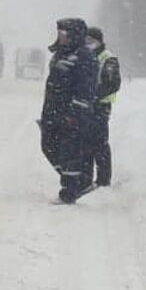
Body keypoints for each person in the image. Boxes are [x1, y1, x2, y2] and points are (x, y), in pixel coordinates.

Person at [41, 17, 99, 203]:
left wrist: (75, 113)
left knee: (70, 151)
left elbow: (86, 88)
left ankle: (70, 190)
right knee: (49, 146)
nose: (61, 37)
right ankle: (79, 180)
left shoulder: (84, 57)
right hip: (54, 112)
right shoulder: (62, 54)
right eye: (59, 34)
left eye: (64, 34)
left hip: (71, 115)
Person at [85, 25, 120, 188]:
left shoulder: (108, 58)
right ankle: (86, 175)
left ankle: (104, 179)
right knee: (85, 141)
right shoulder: (85, 56)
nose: (88, 43)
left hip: (101, 106)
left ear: (99, 41)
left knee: (99, 142)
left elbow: (112, 84)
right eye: (86, 40)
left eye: (91, 40)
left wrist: (94, 95)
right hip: (86, 105)